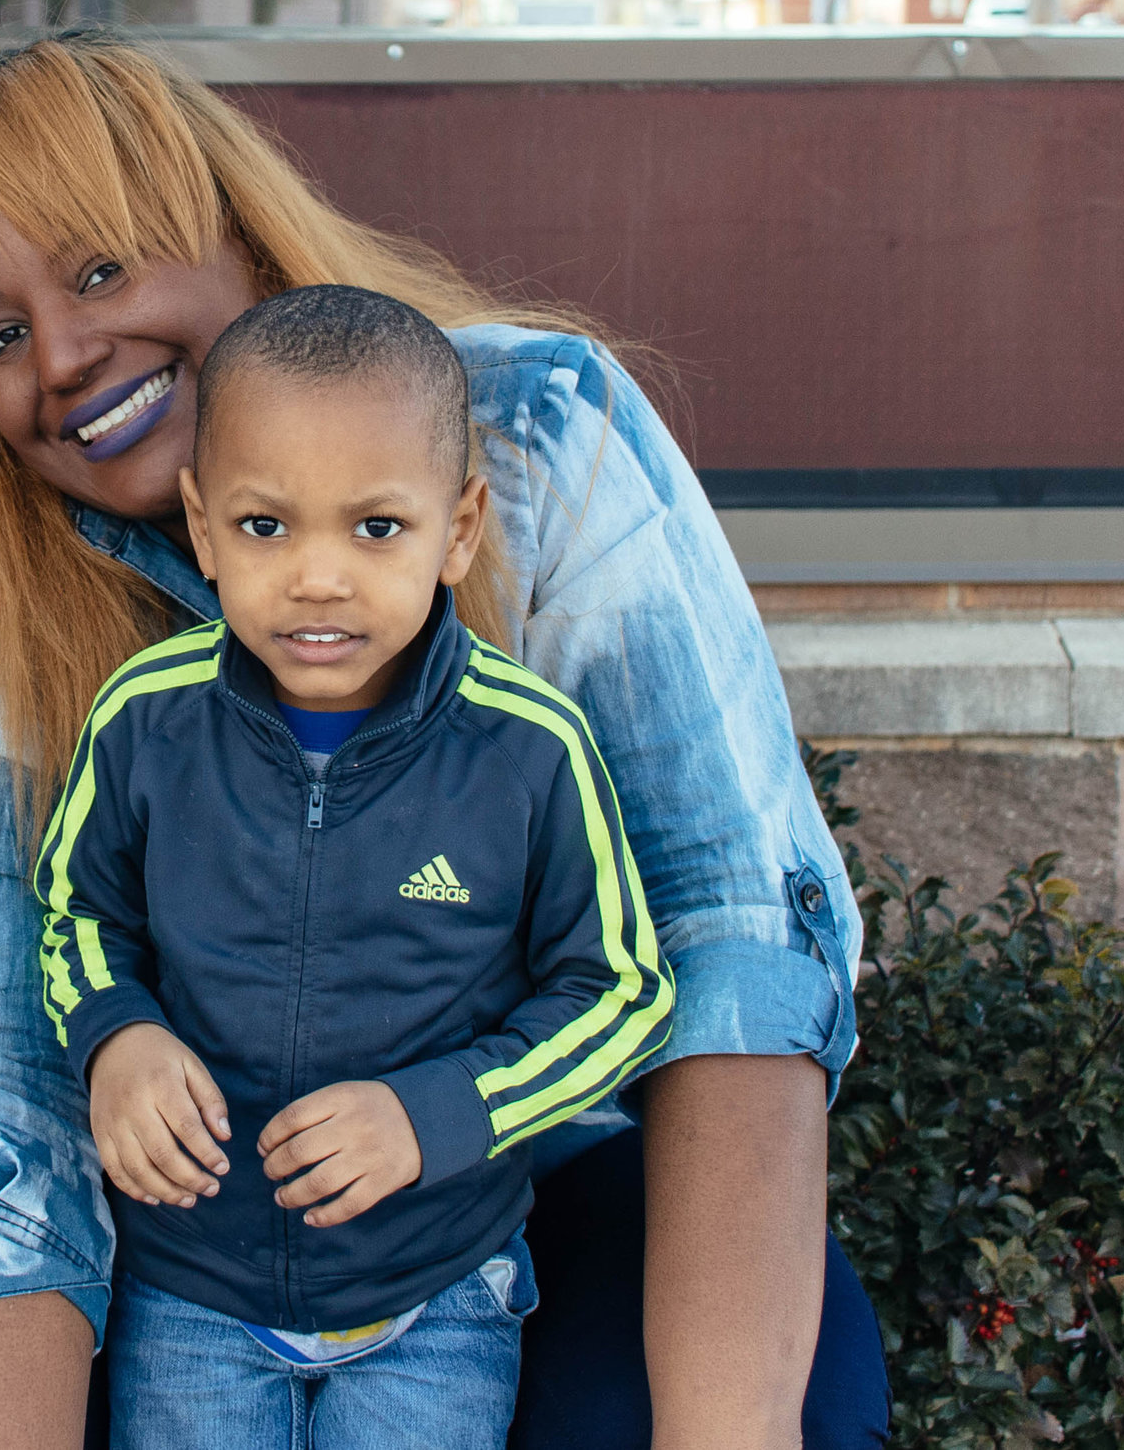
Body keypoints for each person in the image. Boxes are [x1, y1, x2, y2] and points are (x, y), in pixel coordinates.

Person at [0, 30, 889, 1450]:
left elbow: (728, 932)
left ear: (228, 224)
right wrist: (119, 1040)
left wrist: (724, 1428)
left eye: (100, 269)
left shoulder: (535, 433)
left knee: (755, 1401)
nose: (60, 355)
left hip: (527, 1154)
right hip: (185, 1212)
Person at [46, 286, 676, 1449]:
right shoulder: (143, 721)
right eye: (265, 526)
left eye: (375, 527)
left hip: (432, 1289)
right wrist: (116, 1035)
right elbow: (78, 914)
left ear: (461, 529)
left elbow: (623, 991)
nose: (318, 577)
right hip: (192, 1286)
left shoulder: (528, 749)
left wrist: (435, 1114)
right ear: (200, 525)